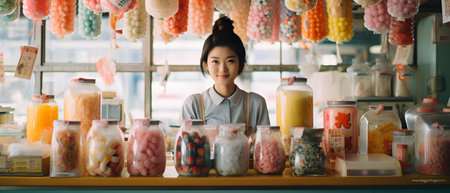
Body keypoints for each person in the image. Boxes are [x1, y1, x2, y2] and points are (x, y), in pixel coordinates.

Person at [180, 16, 270, 137]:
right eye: (215, 61)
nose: (222, 69)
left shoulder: (256, 103)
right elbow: (186, 149)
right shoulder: (193, 104)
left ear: (240, 63)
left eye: (230, 61)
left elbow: (265, 149)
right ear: (206, 64)